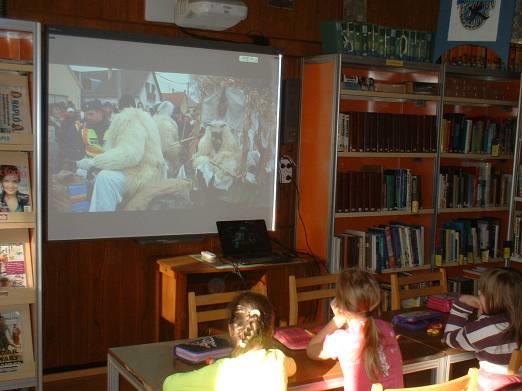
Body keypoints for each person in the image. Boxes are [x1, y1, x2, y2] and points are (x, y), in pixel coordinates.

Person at [163, 291, 296, 391]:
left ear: (231, 330)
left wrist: (208, 371)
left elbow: (169, 385)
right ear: (272, 332)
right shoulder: (278, 358)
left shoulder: (221, 370)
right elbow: (293, 367)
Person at [306, 268, 404, 391]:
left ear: (339, 304)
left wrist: (337, 320)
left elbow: (311, 349)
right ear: (374, 302)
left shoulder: (342, 339)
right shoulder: (388, 329)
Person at [76, 94, 166, 212]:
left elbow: (130, 155)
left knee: (105, 178)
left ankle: (100, 222)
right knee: (104, 175)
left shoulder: (130, 119)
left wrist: (94, 162)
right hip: (150, 169)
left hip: (143, 172)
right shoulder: (145, 118)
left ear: (119, 108)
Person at [443, 268, 522, 391]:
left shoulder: (487, 327)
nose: (478, 294)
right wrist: (484, 315)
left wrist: (461, 304)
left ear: (493, 299)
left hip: (493, 386)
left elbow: (450, 338)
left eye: (481, 293)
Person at [153, 101, 181, 177]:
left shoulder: (153, 120)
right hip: (166, 160)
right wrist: (176, 159)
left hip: (154, 158)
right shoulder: (168, 123)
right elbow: (169, 146)